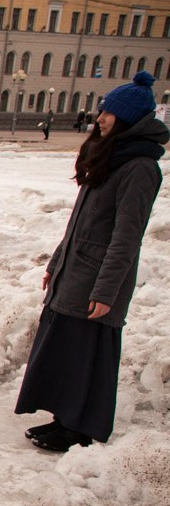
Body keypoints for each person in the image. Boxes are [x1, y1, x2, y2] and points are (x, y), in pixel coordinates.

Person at [16, 71, 167, 452]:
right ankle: (64, 420)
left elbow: (127, 237)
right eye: (101, 111)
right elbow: (78, 222)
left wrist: (107, 289)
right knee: (67, 349)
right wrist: (56, 261)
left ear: (129, 119)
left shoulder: (139, 168)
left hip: (99, 278)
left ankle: (80, 429)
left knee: (88, 354)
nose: (99, 119)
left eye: (108, 114)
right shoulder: (110, 157)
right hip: (77, 269)